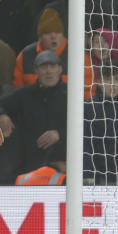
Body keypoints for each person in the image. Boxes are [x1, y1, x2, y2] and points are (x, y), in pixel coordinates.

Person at [0, 49, 67, 182]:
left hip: (63, 166)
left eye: (52, 66)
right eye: (43, 67)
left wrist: (60, 134)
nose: (48, 71)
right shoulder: (24, 95)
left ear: (60, 69)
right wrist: (2, 115)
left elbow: (86, 126)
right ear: (36, 71)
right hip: (29, 169)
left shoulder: (72, 94)